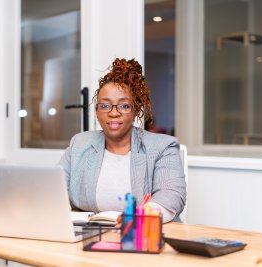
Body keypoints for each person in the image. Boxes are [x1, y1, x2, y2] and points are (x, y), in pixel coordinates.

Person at [58, 58, 186, 222]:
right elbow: (54, 191)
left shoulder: (162, 147)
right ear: (96, 111)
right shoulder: (79, 143)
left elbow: (171, 196)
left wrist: (135, 218)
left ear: (136, 111)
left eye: (124, 106)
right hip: (88, 234)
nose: (113, 113)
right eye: (105, 105)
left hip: (144, 235)